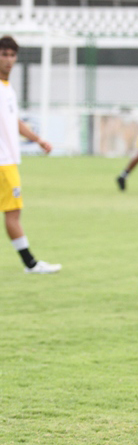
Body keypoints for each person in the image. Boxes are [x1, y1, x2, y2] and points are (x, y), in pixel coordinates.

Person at [0, 35, 61, 274]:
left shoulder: (7, 88)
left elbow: (13, 121)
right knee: (13, 213)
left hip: (8, 160)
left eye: (12, 55)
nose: (8, 60)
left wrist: (37, 139)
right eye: (4, 54)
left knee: (13, 212)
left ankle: (30, 263)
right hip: (3, 161)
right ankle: (30, 264)